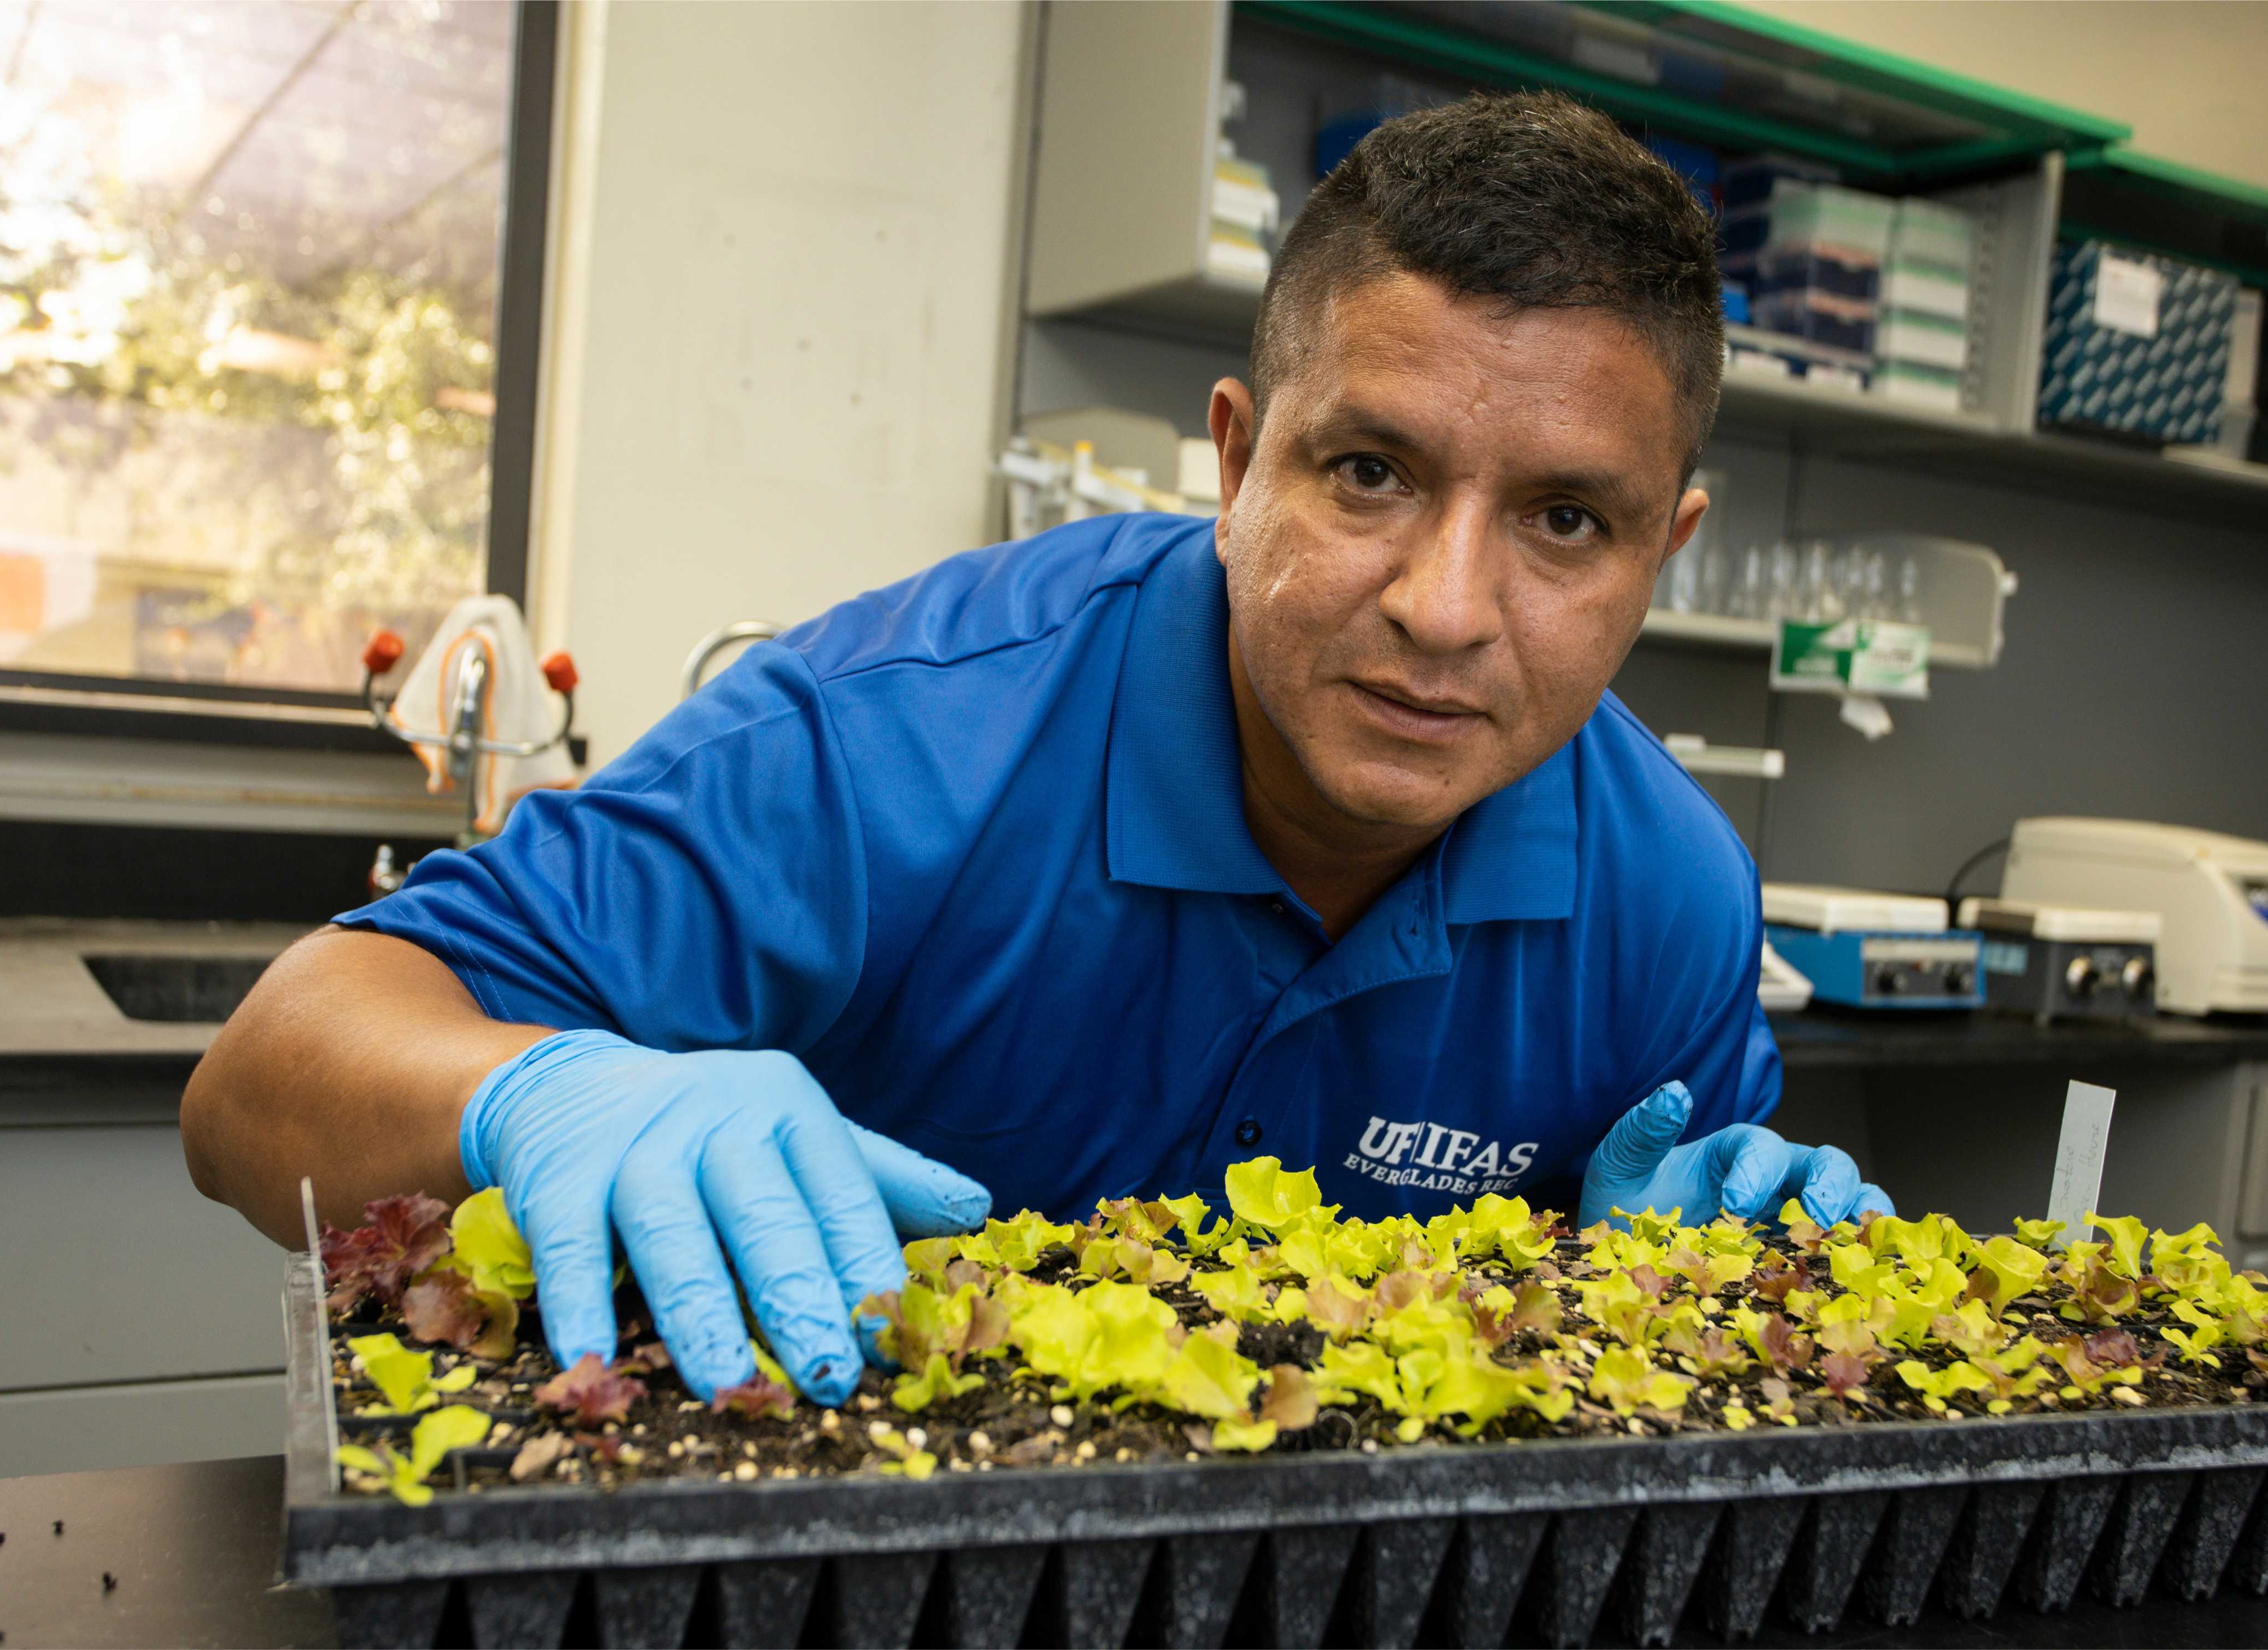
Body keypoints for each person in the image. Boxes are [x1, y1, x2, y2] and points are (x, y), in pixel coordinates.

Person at [182, 91, 1890, 1411]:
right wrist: (534, 1096)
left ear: (1660, 557)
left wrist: (1712, 1282)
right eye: (1369, 471)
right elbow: (257, 1085)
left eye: (1565, 520)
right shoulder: (896, 745)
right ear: (1234, 468)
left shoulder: (1669, 897)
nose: (1446, 610)